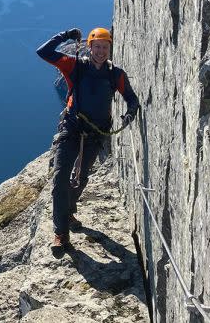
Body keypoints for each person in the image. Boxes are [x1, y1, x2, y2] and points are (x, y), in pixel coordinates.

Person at [36, 27, 139, 256]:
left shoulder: (116, 74)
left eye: (105, 47)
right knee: (61, 178)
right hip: (72, 129)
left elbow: (131, 98)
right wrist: (65, 35)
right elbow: (43, 52)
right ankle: (61, 233)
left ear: (109, 49)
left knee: (80, 178)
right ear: (89, 46)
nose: (101, 51)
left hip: (96, 134)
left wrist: (130, 112)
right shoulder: (74, 66)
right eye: (97, 46)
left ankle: (68, 211)